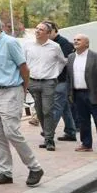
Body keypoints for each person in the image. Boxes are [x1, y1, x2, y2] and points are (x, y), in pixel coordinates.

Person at [0, 13, 43, 187]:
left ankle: (34, 167)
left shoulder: (10, 43)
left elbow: (24, 68)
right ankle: (5, 171)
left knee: (12, 132)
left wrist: (22, 89)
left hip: (10, 92)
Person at [65, 34, 97, 155]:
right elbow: (69, 77)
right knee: (83, 121)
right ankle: (86, 144)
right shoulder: (70, 57)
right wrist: (69, 93)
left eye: (79, 40)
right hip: (78, 94)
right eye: (74, 40)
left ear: (86, 43)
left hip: (94, 94)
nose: (75, 41)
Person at [26, 22, 67, 150]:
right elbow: (23, 62)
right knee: (39, 111)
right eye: (37, 28)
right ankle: (47, 136)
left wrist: (56, 73)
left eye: (41, 29)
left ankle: (49, 139)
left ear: (48, 33)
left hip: (48, 82)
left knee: (47, 110)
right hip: (32, 82)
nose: (37, 31)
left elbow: (62, 61)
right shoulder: (27, 45)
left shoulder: (55, 46)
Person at [44, 20, 78, 143]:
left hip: (61, 79)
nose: (46, 33)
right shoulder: (48, 43)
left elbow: (64, 63)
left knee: (56, 106)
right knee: (64, 107)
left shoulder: (64, 44)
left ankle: (48, 131)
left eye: (49, 31)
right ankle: (70, 131)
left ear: (55, 30)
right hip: (53, 79)